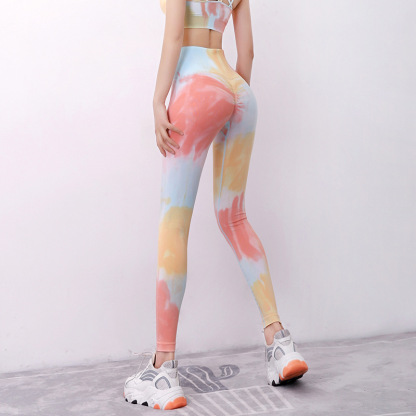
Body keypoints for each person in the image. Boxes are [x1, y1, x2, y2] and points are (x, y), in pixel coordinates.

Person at [123, 0, 309, 410]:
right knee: (235, 216)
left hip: (196, 86)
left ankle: (163, 368)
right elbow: (248, 53)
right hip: (238, 92)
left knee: (173, 224)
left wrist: (158, 100)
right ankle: (280, 343)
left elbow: (175, 35)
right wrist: (230, 104)